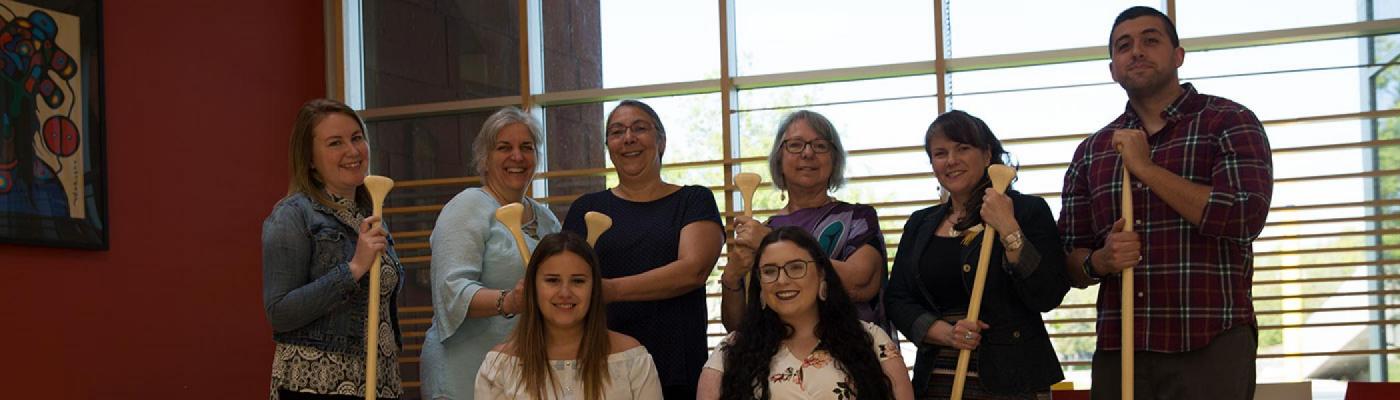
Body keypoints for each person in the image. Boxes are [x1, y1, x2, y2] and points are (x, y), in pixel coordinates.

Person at [1059, 6, 1273, 399]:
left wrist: (1145, 168)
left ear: (1178, 55)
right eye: (1124, 46)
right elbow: (1069, 259)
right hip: (1121, 349)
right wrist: (1100, 261)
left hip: (1210, 344)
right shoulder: (1091, 152)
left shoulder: (1228, 121)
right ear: (1113, 69)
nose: (1137, 51)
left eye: (1150, 40)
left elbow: (1244, 215)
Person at [884, 110, 1069, 399]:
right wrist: (945, 333)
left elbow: (1048, 294)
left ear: (987, 155)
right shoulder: (920, 223)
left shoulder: (1027, 211)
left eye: (963, 148)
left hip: (1013, 381)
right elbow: (897, 299)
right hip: (937, 379)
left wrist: (1009, 229)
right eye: (940, 153)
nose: (951, 160)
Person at [561, 100, 724, 398]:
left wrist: (612, 289)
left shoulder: (693, 201)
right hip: (601, 366)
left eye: (639, 128)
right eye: (616, 132)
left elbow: (693, 270)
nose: (628, 138)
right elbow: (567, 280)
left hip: (675, 369)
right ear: (608, 146)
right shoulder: (586, 208)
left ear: (661, 141)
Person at [262, 98, 404, 400]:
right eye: (335, 143)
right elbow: (280, 313)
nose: (352, 151)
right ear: (310, 159)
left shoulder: (369, 213)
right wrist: (353, 268)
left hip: (380, 382)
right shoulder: (293, 215)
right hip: (317, 384)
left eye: (357, 138)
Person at [419, 107, 562, 400]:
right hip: (465, 372)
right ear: (484, 158)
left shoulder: (548, 220)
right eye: (504, 147)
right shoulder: (466, 207)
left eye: (526, 147)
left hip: (525, 374)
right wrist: (510, 301)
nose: (517, 156)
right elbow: (452, 292)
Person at [722, 110, 889, 334]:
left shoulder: (857, 219)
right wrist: (731, 277)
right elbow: (739, 325)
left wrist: (771, 243)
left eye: (820, 146)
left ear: (834, 160)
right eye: (795, 145)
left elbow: (861, 283)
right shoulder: (761, 232)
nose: (808, 153)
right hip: (780, 352)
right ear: (779, 159)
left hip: (848, 348)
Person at [698, 227, 914, 400]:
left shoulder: (872, 340)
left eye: (796, 267)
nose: (782, 280)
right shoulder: (730, 352)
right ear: (760, 285)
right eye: (770, 271)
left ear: (821, 275)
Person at [475, 231, 663, 399]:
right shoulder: (499, 367)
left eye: (578, 281)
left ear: (594, 288)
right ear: (532, 287)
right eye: (552, 280)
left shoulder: (632, 359)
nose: (565, 292)